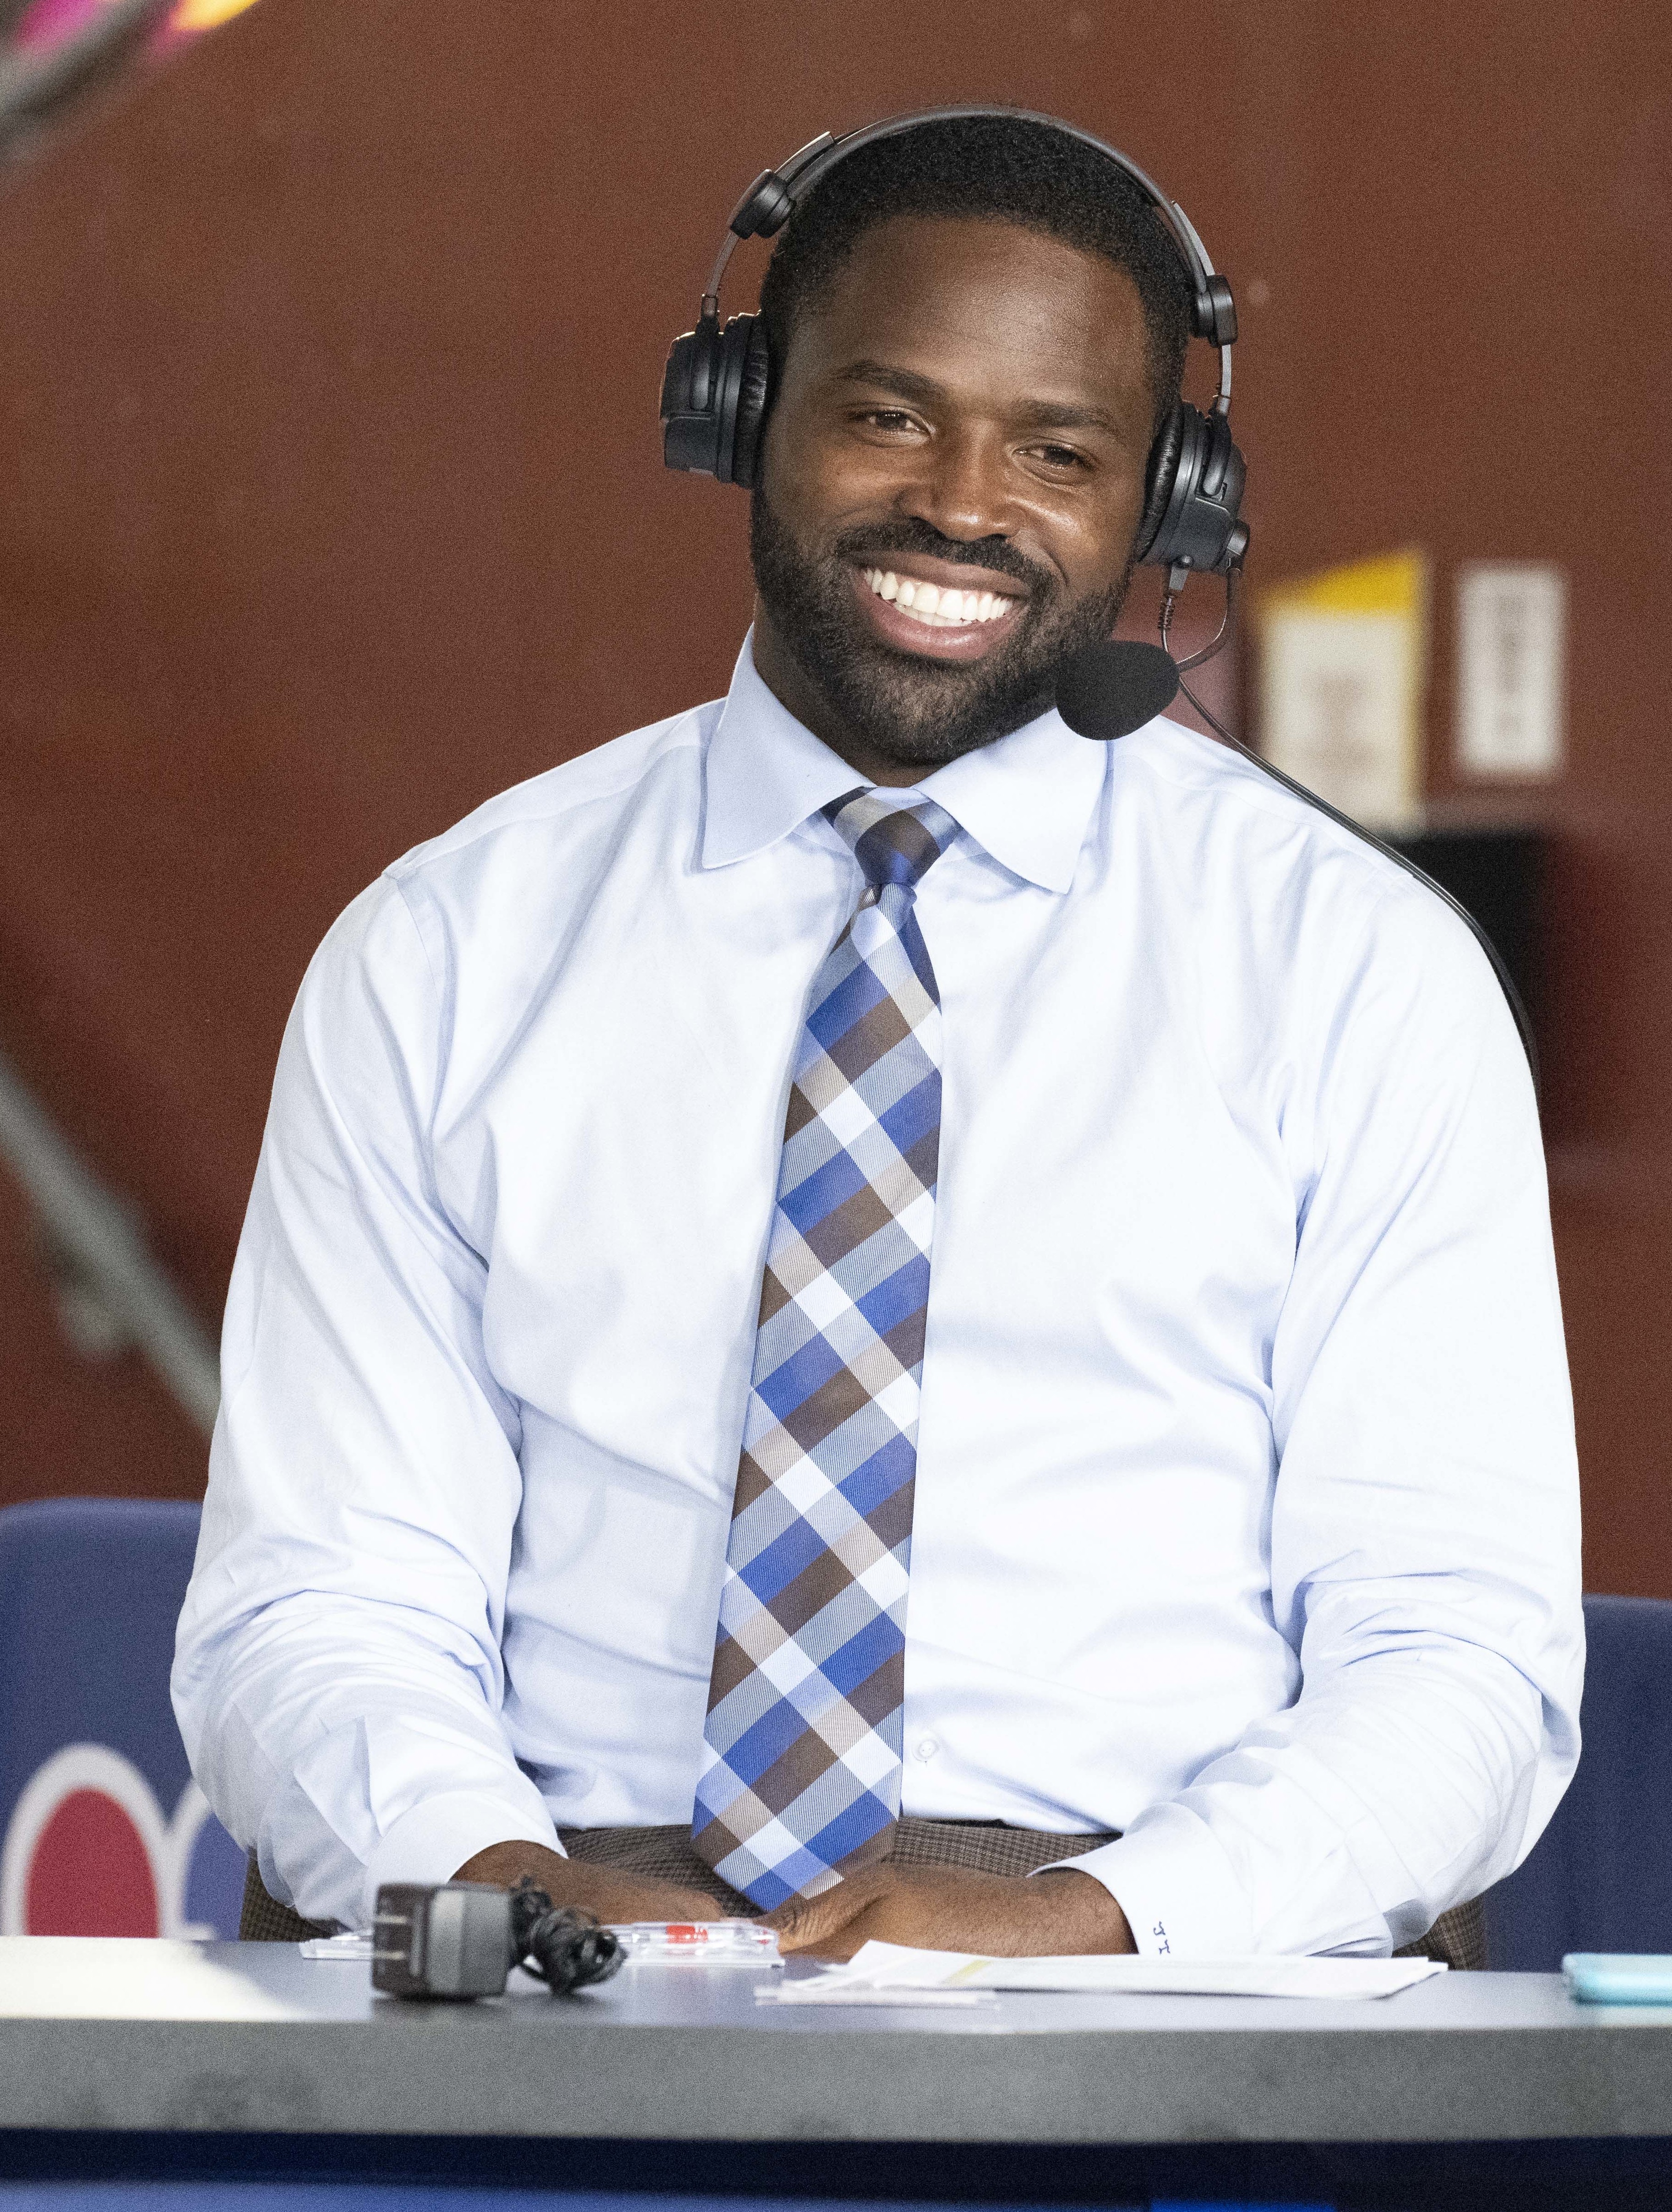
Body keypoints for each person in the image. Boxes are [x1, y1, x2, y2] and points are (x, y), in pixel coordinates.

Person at [173, 111, 1582, 1963]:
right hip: (560, 1950)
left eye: (1058, 450)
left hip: (1133, 1972)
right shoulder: (447, 948)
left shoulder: (1353, 973)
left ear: (1165, 503)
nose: (966, 506)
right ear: (741, 412)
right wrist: (510, 1885)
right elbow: (316, 1598)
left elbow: (1454, 1652)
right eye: (891, 415)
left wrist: (1096, 1915)